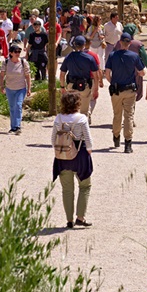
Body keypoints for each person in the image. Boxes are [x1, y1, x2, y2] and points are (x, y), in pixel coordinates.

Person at [51, 91, 93, 229]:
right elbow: (88, 138)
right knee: (85, 186)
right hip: (80, 155)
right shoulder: (81, 119)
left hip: (62, 156)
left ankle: (69, 220)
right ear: (77, 103)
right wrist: (89, 151)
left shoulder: (58, 119)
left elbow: (53, 139)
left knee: (67, 190)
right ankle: (80, 217)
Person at [105, 31, 145, 153]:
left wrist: (112, 82)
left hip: (116, 90)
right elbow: (142, 72)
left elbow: (107, 73)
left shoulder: (113, 55)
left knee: (117, 115)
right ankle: (128, 144)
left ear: (120, 42)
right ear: (129, 43)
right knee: (128, 116)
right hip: (129, 90)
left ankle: (116, 136)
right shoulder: (134, 56)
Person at [0, 43, 32, 134]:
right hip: (9, 88)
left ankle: (17, 126)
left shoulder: (23, 62)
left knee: (18, 105)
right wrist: (1, 86)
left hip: (21, 88)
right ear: (11, 53)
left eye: (19, 51)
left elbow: (28, 76)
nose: (18, 53)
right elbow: (2, 75)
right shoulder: (5, 63)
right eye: (15, 51)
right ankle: (13, 127)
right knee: (12, 107)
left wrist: (29, 88)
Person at [59, 35, 101, 101]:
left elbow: (62, 74)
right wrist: (96, 89)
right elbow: (96, 76)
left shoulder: (68, 57)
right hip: (85, 86)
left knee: (72, 108)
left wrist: (62, 87)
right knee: (84, 110)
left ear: (74, 44)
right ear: (84, 44)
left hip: (72, 86)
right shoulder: (89, 58)